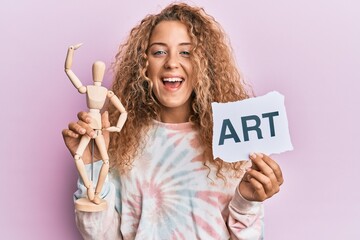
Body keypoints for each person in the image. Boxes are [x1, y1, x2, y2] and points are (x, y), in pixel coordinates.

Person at [62, 3, 284, 239]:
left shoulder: (230, 141)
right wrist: (92, 165)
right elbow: (101, 236)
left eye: (186, 52)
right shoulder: (120, 142)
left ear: (204, 64)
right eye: (159, 52)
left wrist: (247, 203)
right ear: (143, 64)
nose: (171, 62)